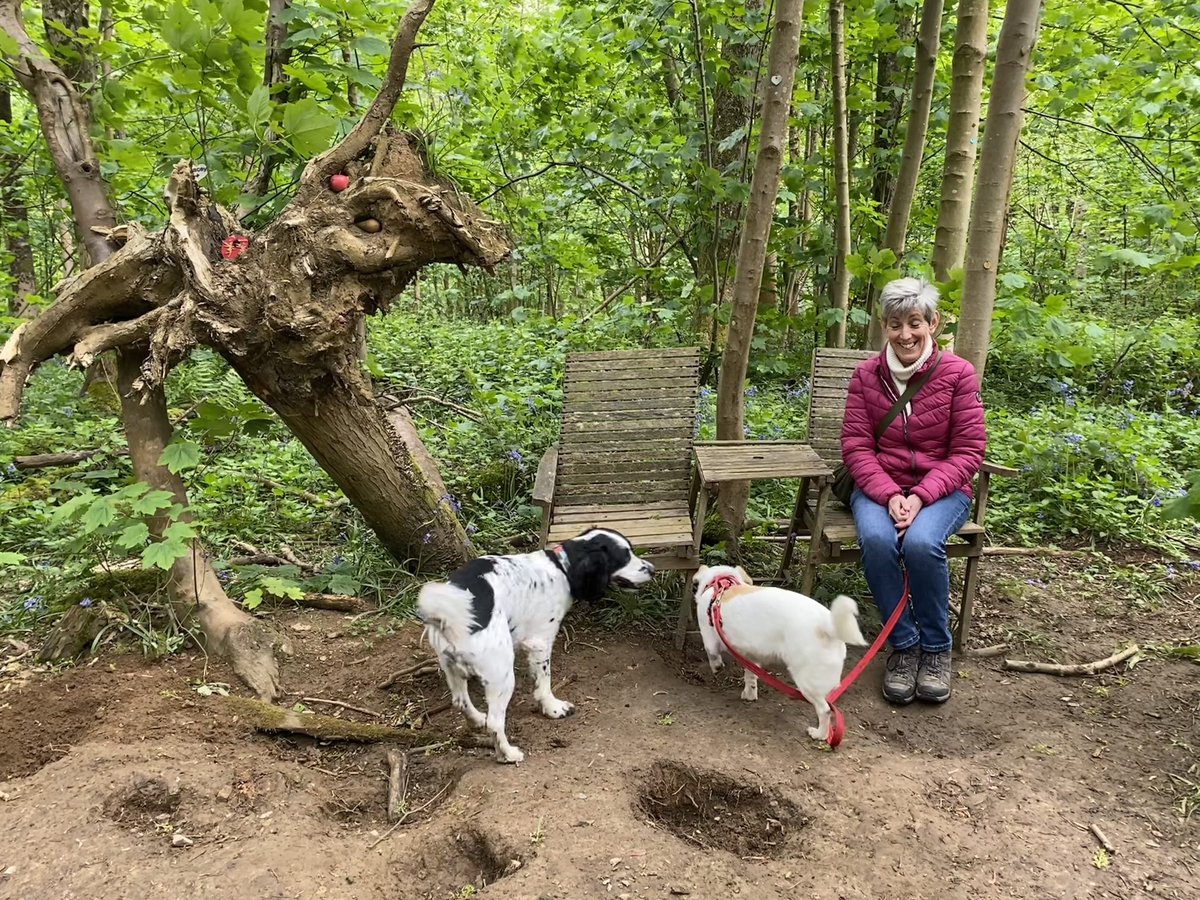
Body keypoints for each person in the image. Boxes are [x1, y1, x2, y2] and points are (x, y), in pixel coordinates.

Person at [840, 277, 985, 705]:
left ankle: (936, 650)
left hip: (943, 491)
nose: (906, 334)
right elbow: (856, 446)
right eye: (896, 324)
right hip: (879, 487)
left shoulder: (958, 374)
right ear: (883, 326)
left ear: (933, 324)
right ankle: (904, 646)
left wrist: (921, 496)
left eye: (915, 323)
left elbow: (968, 450)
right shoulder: (866, 376)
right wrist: (889, 495)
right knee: (879, 539)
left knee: (922, 544)